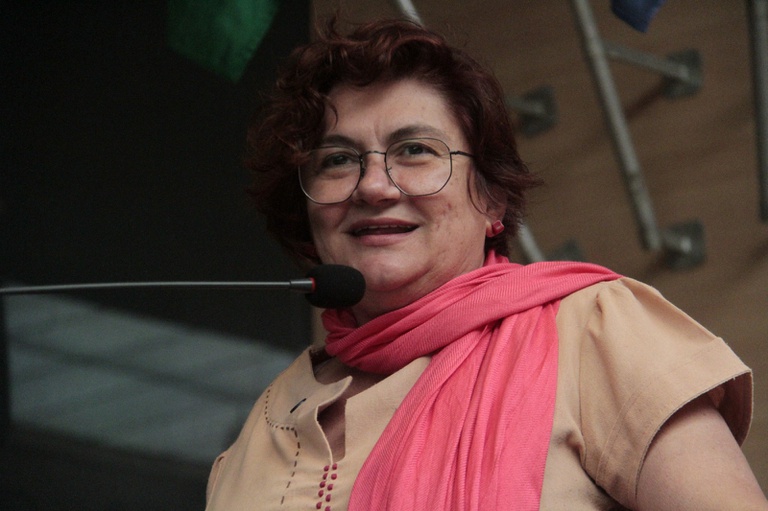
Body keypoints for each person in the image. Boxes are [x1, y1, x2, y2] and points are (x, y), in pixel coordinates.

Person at [204, 18, 767, 511]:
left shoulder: (594, 331)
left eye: (416, 150)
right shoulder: (265, 419)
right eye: (337, 160)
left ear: (492, 198)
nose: (373, 186)